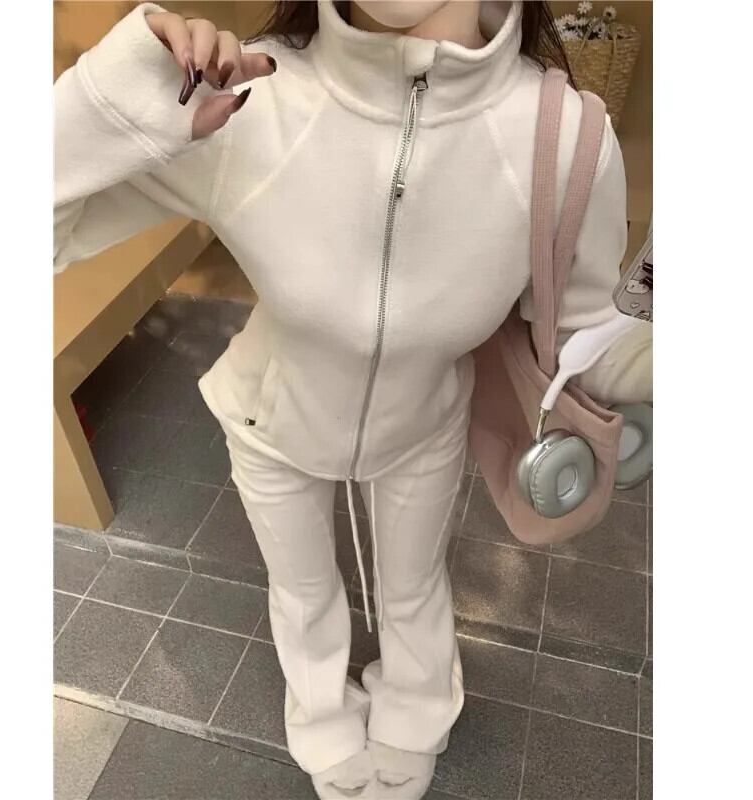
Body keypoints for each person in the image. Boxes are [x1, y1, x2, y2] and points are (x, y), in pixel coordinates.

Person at [54, 2, 652, 797]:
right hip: (270, 420)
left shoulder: (568, 139)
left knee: (414, 589)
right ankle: (322, 717)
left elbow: (589, 341)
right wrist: (110, 94)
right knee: (303, 593)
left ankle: (417, 712)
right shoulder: (255, 93)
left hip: (425, 424)